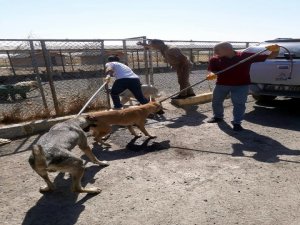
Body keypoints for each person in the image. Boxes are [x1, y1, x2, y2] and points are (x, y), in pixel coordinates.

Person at [206, 42, 280, 131]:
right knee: (216, 101)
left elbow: (271, 56)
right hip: (222, 84)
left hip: (240, 85)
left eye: (217, 50)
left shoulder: (245, 56)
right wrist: (212, 74)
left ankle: (237, 123)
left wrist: (276, 50)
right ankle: (217, 117)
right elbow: (213, 71)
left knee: (239, 104)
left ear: (227, 49)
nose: (215, 52)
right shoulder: (215, 59)